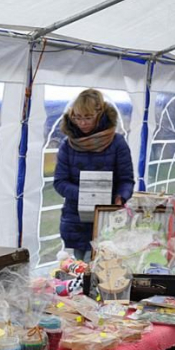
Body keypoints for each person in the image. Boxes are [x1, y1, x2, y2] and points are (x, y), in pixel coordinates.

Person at [53, 89, 135, 262]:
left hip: (108, 216)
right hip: (75, 218)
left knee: (105, 265)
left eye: (87, 117)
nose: (82, 123)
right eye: (77, 117)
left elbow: (126, 180)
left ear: (100, 114)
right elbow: (60, 182)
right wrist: (86, 193)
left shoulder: (118, 143)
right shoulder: (67, 145)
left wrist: (120, 198)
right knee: (81, 266)